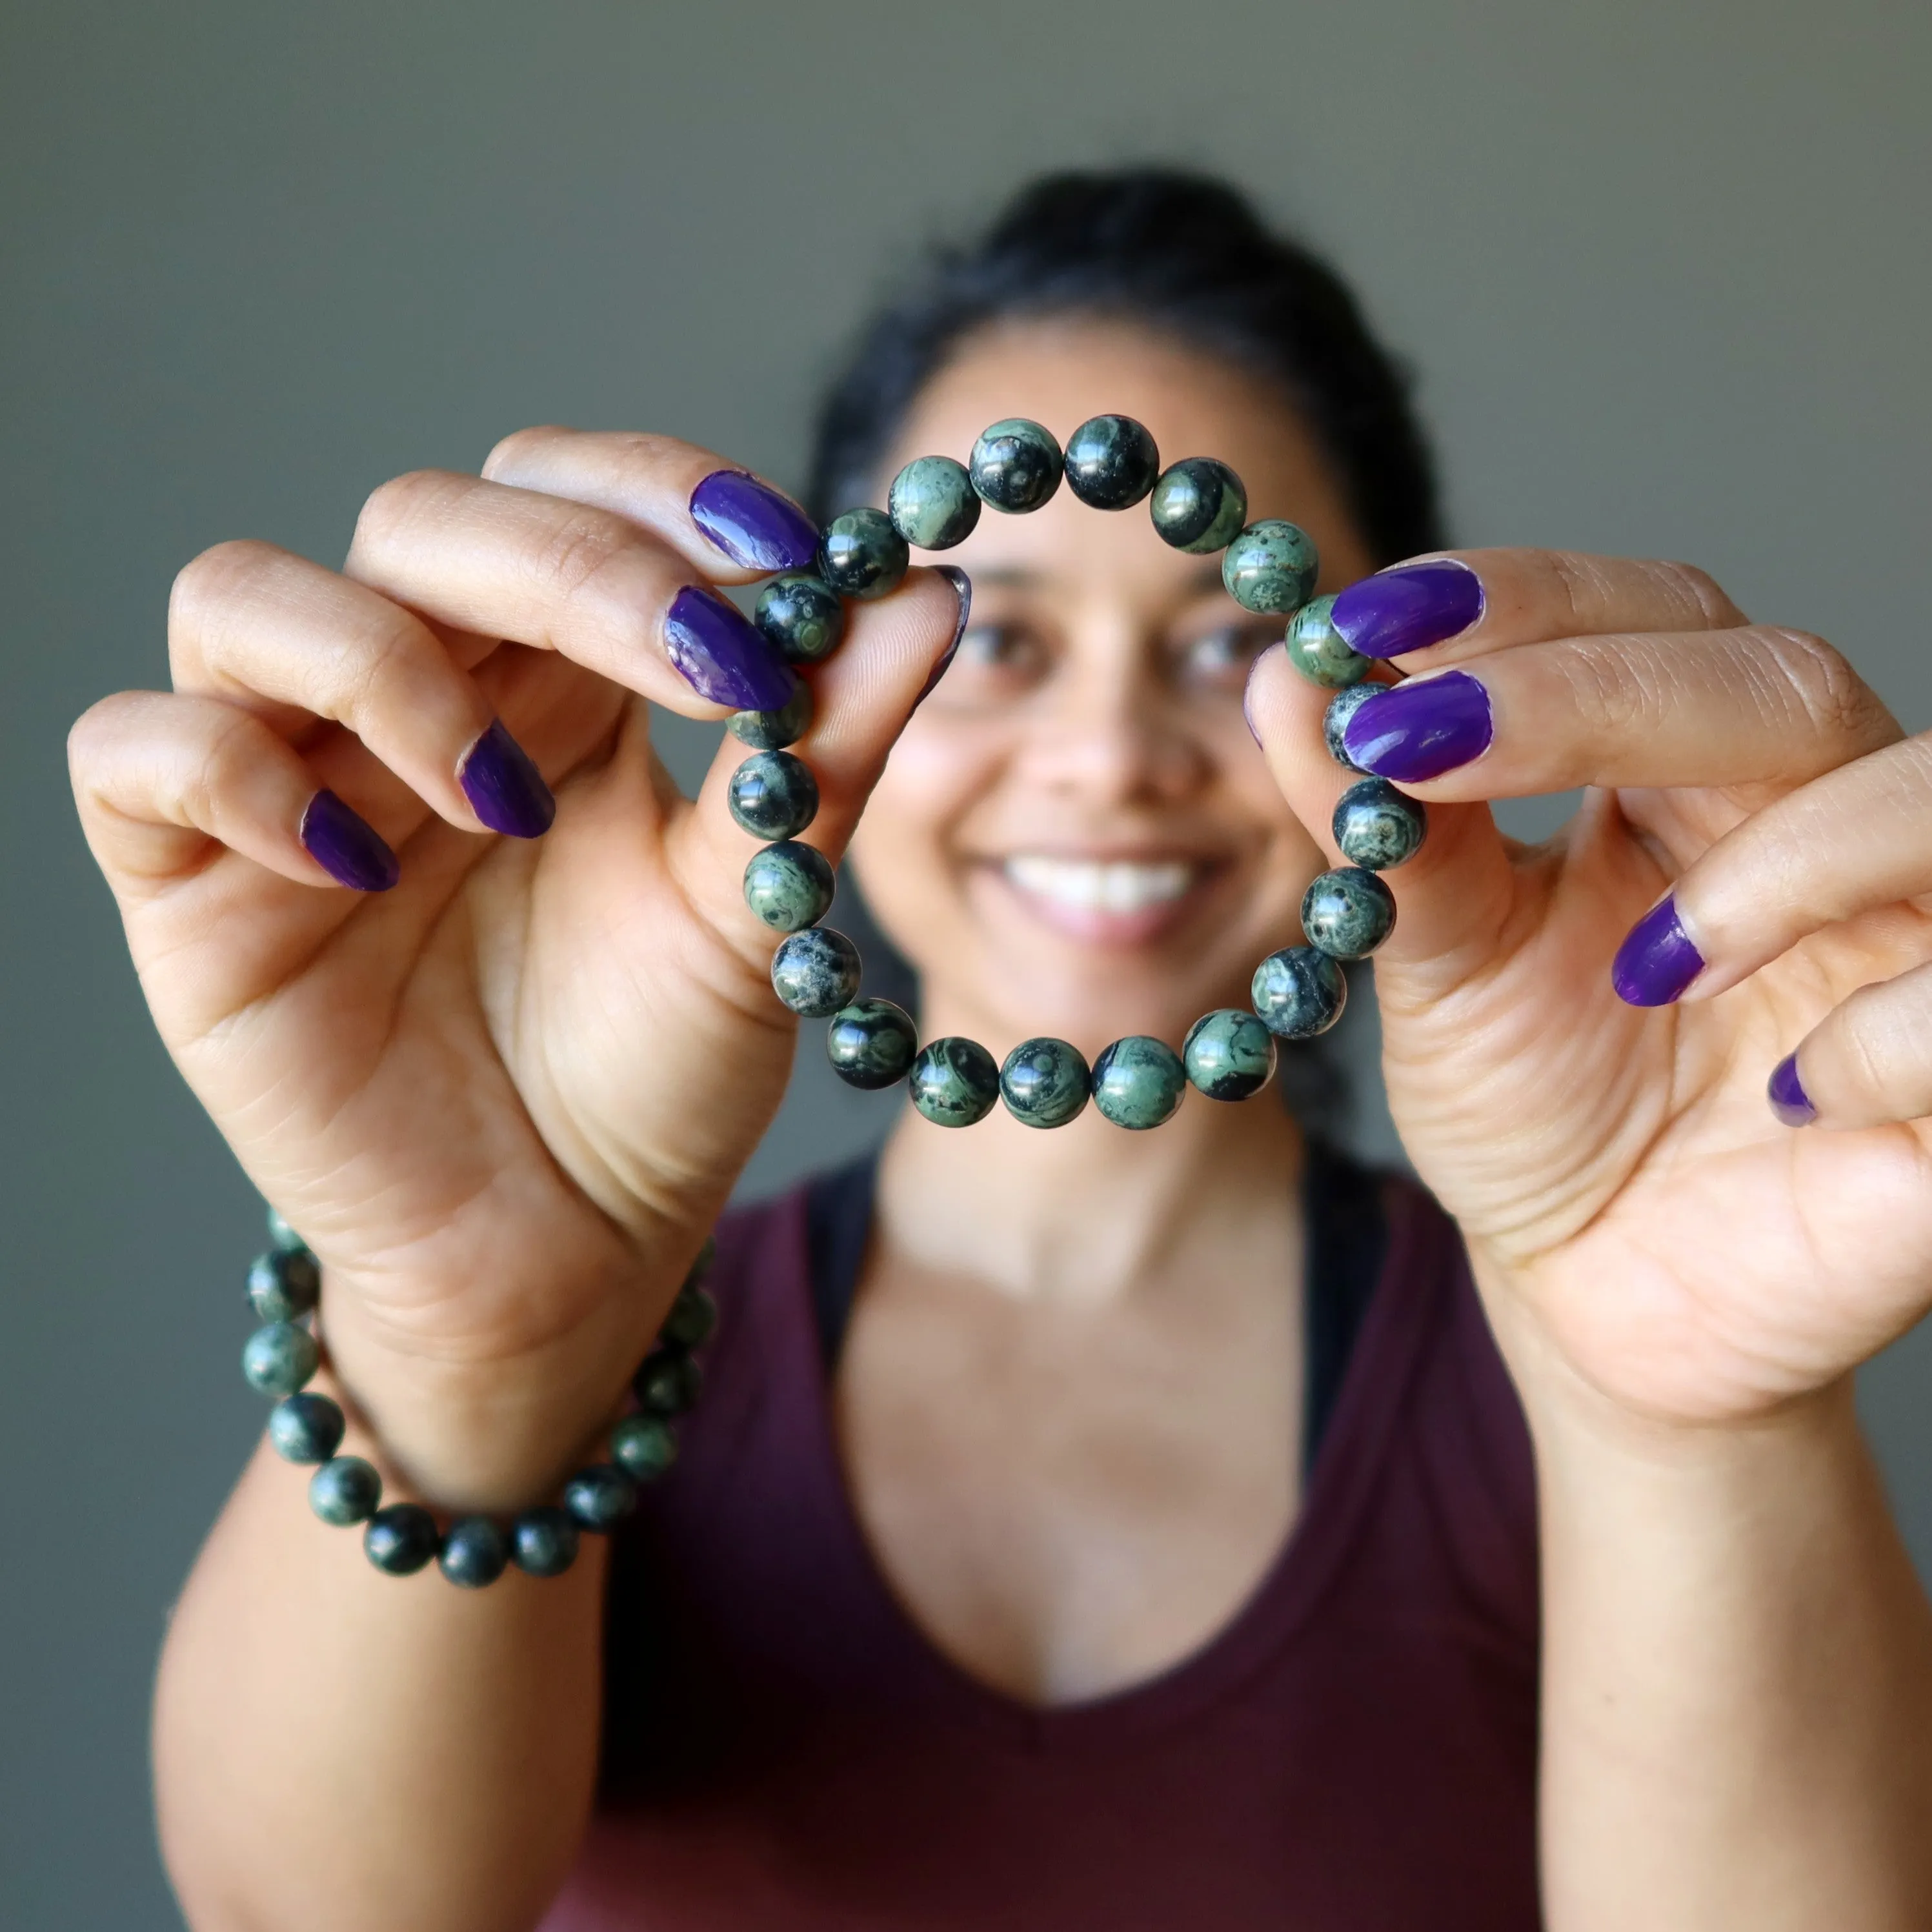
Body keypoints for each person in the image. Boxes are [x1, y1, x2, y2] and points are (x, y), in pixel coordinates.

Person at [70, 168, 1932, 1931]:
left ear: (1389, 699)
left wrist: (1683, 1426)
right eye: (992, 643)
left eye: (1224, 640)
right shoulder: (600, 1331)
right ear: (814, 706)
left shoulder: (1560, 1356)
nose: (1112, 755)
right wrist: (461, 1327)